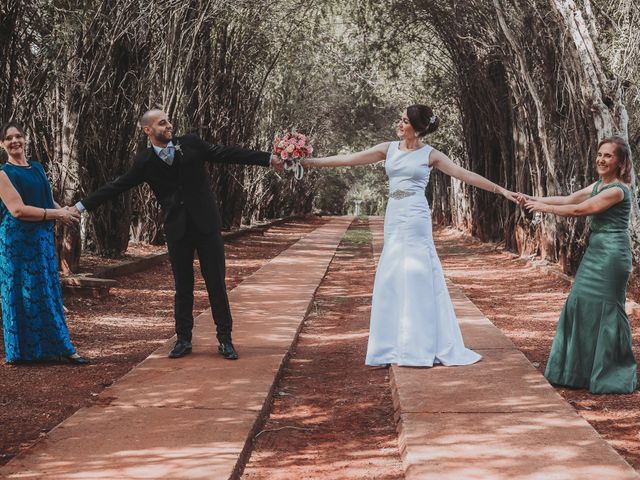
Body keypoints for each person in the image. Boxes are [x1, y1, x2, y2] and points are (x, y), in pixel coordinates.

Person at [301, 104, 516, 366]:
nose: (399, 124)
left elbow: (464, 174)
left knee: (418, 272)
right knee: (392, 272)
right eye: (399, 120)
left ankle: (419, 345)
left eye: (404, 121)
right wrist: (308, 162)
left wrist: (501, 190)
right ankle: (391, 345)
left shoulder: (431, 155)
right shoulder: (387, 149)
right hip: (394, 214)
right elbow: (348, 158)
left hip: (415, 216)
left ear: (417, 127)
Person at [70, 109, 282, 360]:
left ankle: (225, 339)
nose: (169, 125)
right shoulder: (144, 161)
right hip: (177, 228)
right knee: (183, 286)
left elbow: (228, 153)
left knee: (216, 283)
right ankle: (183, 339)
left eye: (169, 121)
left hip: (206, 225)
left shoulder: (190, 143)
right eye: (162, 123)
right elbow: (117, 185)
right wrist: (80, 207)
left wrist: (269, 158)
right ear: (148, 130)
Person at [520, 136, 637, 394]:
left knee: (607, 309)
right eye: (599, 154)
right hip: (596, 252)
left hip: (612, 255)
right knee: (580, 303)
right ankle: (577, 372)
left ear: (620, 162)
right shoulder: (599, 184)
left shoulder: (618, 190)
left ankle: (610, 373)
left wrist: (540, 207)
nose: (601, 159)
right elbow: (569, 200)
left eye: (608, 156)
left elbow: (580, 210)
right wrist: (532, 198)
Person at [0, 121, 88, 365]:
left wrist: (66, 212)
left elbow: (49, 202)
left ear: (25, 139)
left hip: (41, 239)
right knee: (21, 293)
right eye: (9, 138)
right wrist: (57, 215)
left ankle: (56, 347)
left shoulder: (37, 167)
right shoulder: (3, 174)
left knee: (46, 291)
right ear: (2, 144)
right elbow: (17, 210)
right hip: (16, 242)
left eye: (18, 136)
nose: (15, 141)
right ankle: (22, 353)